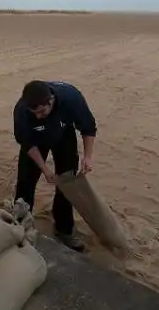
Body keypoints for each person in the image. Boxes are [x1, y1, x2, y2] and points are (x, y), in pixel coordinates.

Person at [13, 79, 97, 252]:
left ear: (51, 100)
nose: (38, 116)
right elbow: (27, 143)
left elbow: (88, 127)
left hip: (63, 134)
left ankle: (64, 229)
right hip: (36, 141)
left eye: (42, 111)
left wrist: (88, 157)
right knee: (25, 182)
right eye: (34, 113)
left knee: (68, 181)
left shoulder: (71, 98)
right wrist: (44, 168)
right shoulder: (22, 110)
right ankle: (19, 227)